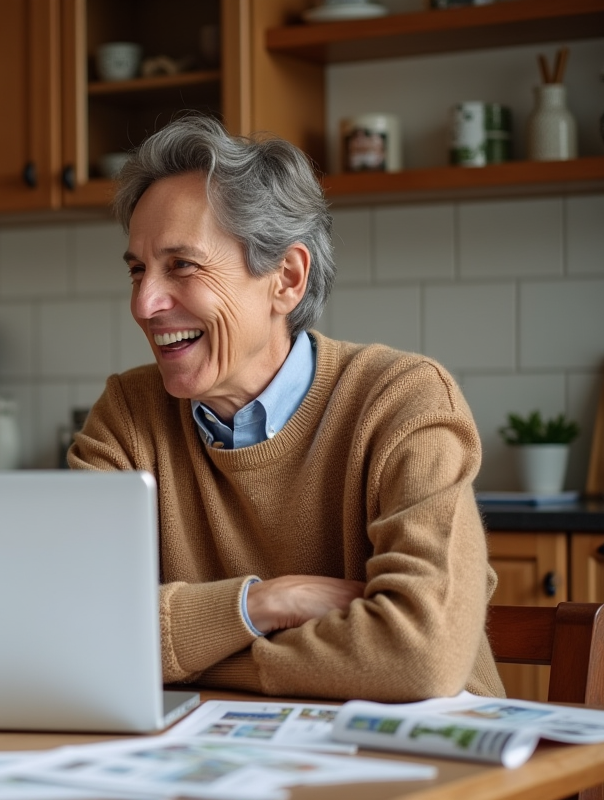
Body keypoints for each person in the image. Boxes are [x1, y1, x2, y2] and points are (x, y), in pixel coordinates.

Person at [68, 115, 504, 702]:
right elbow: (69, 629)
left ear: (287, 279)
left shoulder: (404, 402)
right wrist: (266, 601)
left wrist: (193, 653)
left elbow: (418, 656)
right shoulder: (128, 416)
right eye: (138, 270)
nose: (145, 303)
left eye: (182, 266)